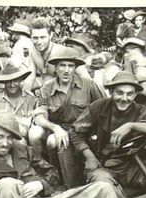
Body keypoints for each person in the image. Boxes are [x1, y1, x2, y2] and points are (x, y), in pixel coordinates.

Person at [69, 71, 146, 194]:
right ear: (111, 92)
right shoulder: (98, 107)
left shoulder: (142, 112)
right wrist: (89, 156)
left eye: (129, 94)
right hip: (102, 166)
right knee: (103, 185)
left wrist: (132, 126)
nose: (124, 99)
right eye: (119, 93)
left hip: (131, 166)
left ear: (135, 94)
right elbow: (75, 132)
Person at [31, 47, 104, 187]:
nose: (66, 70)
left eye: (70, 66)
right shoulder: (47, 87)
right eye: (62, 65)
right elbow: (39, 116)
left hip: (83, 131)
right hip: (61, 131)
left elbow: (103, 109)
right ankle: (55, 175)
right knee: (53, 140)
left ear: (75, 68)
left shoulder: (88, 85)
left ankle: (74, 181)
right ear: (56, 68)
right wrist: (56, 128)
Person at [23, 17, 95, 93]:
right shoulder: (33, 51)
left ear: (50, 35)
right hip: (48, 94)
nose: (39, 42)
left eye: (43, 37)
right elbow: (30, 77)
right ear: (30, 37)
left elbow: (86, 78)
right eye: (35, 38)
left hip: (69, 95)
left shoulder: (62, 52)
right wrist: (24, 94)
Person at [0, 63, 37, 144]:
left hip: (21, 136)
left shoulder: (30, 98)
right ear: (4, 82)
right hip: (0, 135)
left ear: (20, 80)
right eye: (8, 82)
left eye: (15, 81)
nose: (12, 85)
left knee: (21, 143)